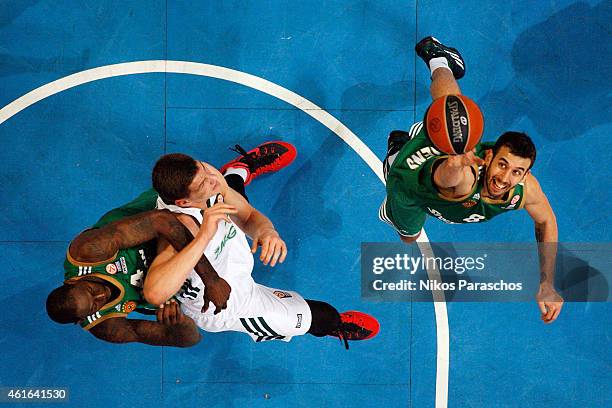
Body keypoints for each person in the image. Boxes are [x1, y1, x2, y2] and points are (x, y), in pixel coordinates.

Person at [379, 37, 563, 323]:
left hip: (446, 156)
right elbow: (448, 178)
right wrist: (455, 163)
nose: (505, 178)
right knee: (408, 237)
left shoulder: (523, 190)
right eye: (502, 165)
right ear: (488, 156)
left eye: (517, 172)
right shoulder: (466, 176)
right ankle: (397, 151)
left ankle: (440, 61)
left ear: (526, 175)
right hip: (413, 184)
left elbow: (546, 221)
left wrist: (547, 283)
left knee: (451, 112)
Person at [147, 141, 379, 348]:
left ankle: (238, 170)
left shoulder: (209, 186)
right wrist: (205, 235)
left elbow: (247, 217)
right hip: (234, 304)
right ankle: (333, 326)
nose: (212, 177)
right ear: (183, 202)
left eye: (205, 167)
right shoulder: (180, 227)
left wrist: (267, 232)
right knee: (322, 315)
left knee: (229, 191)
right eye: (203, 183)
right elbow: (155, 292)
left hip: (231, 256)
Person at [45, 189, 232, 347]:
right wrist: (178, 325)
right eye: (95, 304)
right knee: (216, 309)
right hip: (172, 268)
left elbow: (162, 221)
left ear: (72, 281)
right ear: (82, 320)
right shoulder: (106, 326)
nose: (101, 295)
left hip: (164, 216)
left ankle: (237, 173)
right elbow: (190, 338)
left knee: (207, 190)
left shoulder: (87, 251)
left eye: (91, 290)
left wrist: (212, 279)